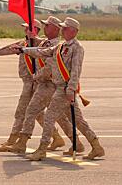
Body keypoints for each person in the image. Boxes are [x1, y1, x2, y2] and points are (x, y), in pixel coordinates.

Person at [17, 17, 105, 161]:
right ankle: (96, 146)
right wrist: (24, 49)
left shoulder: (77, 48)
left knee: (49, 118)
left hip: (65, 90)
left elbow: (76, 71)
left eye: (65, 28)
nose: (62, 30)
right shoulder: (61, 46)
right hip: (60, 88)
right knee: (78, 120)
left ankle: (42, 149)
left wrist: (70, 90)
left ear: (73, 31)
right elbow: (42, 52)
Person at [0, 20, 65, 152]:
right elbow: (8, 49)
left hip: (36, 82)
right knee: (36, 113)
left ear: (36, 30)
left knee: (22, 112)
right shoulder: (23, 44)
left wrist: (34, 39)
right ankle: (56, 137)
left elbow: (41, 50)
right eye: (25, 29)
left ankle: (13, 140)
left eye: (28, 29)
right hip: (28, 82)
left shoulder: (40, 43)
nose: (25, 31)